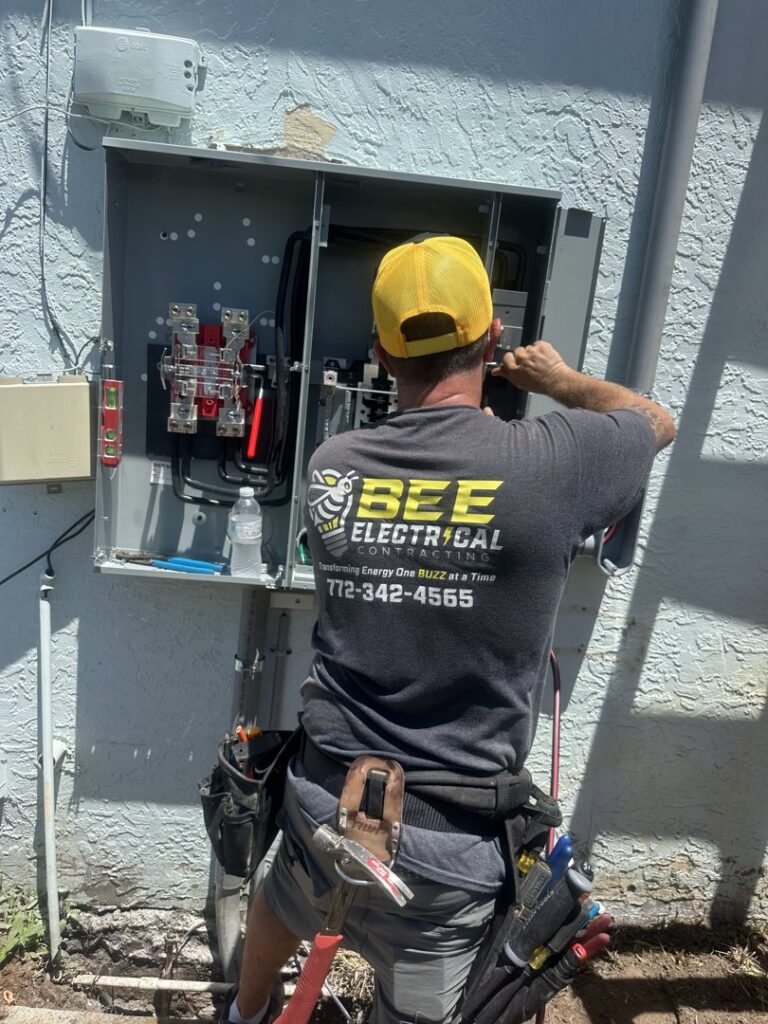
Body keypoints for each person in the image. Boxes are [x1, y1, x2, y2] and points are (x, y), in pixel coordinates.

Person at [223, 235, 676, 1024]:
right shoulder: (553, 464)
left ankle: (247, 1011)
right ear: (494, 340)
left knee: (288, 892)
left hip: (323, 790)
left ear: (380, 352)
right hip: (448, 848)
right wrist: (560, 380)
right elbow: (654, 422)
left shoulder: (333, 463)